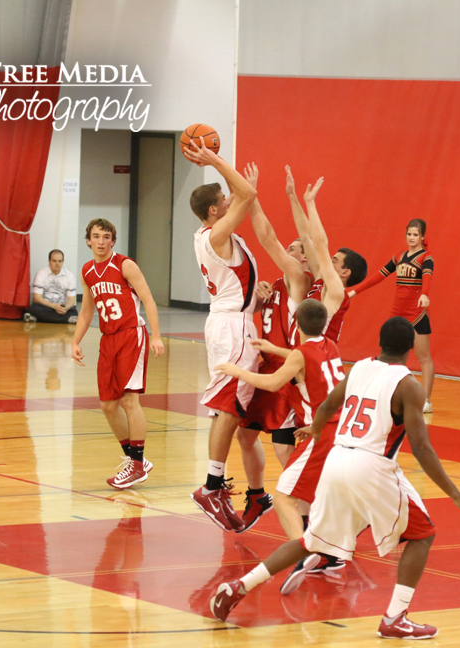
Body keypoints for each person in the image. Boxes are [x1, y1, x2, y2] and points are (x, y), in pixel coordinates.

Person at [209, 317, 460, 639]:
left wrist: (316, 427)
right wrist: (455, 494)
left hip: (337, 459)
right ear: (410, 348)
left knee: (311, 541)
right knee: (422, 536)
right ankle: (395, 617)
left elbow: (328, 403)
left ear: (379, 343)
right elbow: (421, 447)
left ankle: (239, 586)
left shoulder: (360, 369)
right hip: (371, 466)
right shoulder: (409, 385)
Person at [216, 299, 342, 570]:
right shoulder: (330, 345)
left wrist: (238, 372)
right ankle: (330, 549)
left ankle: (307, 553)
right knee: (314, 490)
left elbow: (273, 383)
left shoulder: (300, 354)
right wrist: (275, 349)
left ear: (295, 323)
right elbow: (303, 356)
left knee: (284, 496)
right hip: (342, 430)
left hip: (321, 434)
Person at [184, 140, 262, 532]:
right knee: (228, 407)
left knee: (233, 409)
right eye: (223, 198)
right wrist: (212, 159)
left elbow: (240, 196)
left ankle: (241, 488)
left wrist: (256, 294)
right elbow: (248, 193)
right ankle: (212, 485)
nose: (232, 199)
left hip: (234, 319)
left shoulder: (214, 235)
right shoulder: (215, 234)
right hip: (232, 326)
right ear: (214, 210)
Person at [71, 219, 164, 489]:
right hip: (108, 339)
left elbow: (148, 299)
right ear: (88, 240)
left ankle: (136, 464)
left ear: (113, 241)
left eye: (106, 237)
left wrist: (155, 335)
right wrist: (76, 340)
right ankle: (135, 461)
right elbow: (88, 310)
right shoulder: (87, 271)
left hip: (131, 335)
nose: (101, 241)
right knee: (108, 405)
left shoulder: (125, 265)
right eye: (96, 236)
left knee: (129, 400)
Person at [235, 163, 313, 478]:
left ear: (304, 258)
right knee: (244, 434)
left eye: (293, 248)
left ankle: (303, 497)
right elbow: (248, 308)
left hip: (285, 371)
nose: (287, 250)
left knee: (283, 447)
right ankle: (257, 494)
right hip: (264, 368)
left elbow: (267, 237)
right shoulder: (278, 283)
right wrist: (257, 295)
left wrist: (251, 195)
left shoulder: (300, 278)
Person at [349, 219, 435, 412]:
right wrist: (356, 291)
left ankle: (427, 400)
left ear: (422, 237)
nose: (411, 238)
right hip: (398, 312)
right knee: (390, 355)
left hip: (417, 313)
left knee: (423, 357)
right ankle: (388, 393)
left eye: (415, 234)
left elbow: (427, 276)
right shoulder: (399, 256)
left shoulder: (426, 258)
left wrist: (424, 294)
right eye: (409, 234)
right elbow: (379, 276)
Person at [284, 166, 367, 344]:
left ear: (345, 273)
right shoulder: (322, 279)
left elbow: (321, 245)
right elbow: (307, 237)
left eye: (335, 261)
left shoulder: (336, 291)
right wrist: (292, 196)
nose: (329, 261)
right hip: (301, 354)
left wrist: (310, 203)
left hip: (317, 358)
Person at [24, 250, 78, 324]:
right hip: (46, 306)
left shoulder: (69, 276)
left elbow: (72, 299)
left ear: (63, 262)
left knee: (73, 311)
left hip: (61, 307)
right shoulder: (41, 274)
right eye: (54, 261)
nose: (57, 264)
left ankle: (38, 317)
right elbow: (37, 298)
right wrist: (54, 306)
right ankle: (66, 319)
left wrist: (66, 307)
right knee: (34, 308)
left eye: (60, 261)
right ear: (49, 261)